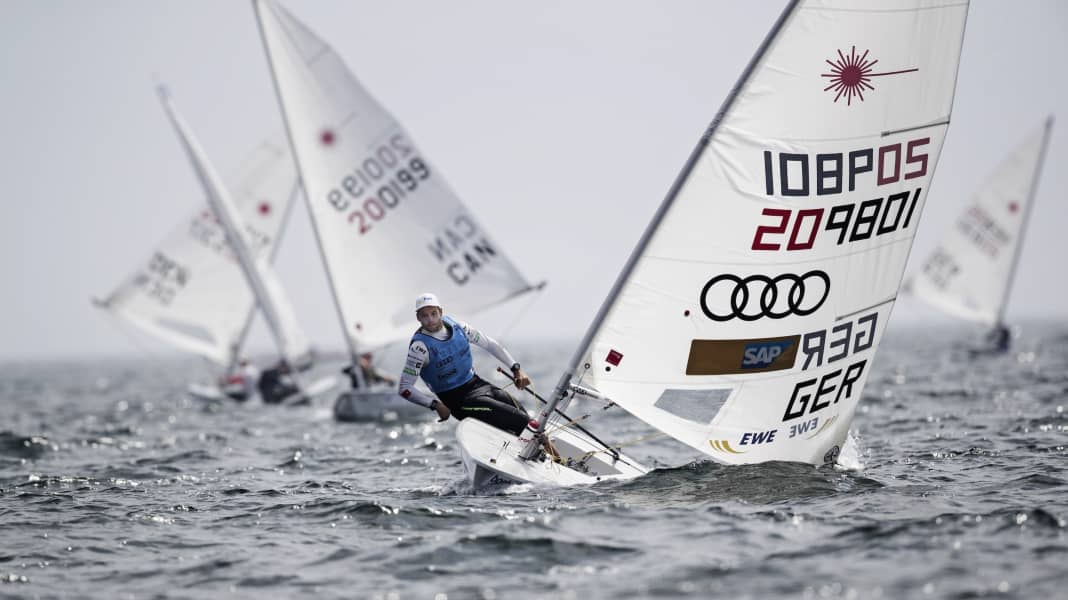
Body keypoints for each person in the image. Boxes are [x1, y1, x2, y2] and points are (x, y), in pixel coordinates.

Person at [397, 292, 557, 458]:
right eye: (424, 316)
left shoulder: (460, 328)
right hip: (458, 401)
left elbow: (490, 344)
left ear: (441, 312)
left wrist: (516, 368)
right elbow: (404, 388)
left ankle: (536, 452)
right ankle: (557, 460)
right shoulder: (419, 348)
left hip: (478, 384)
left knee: (520, 411)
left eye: (433, 314)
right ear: (418, 318)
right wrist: (435, 405)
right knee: (521, 420)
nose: (430, 320)